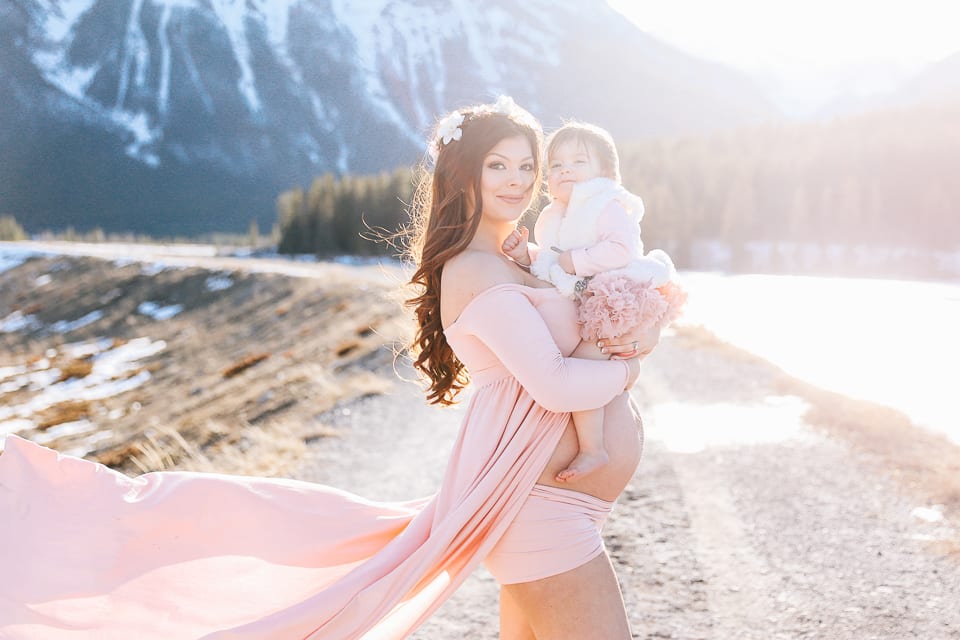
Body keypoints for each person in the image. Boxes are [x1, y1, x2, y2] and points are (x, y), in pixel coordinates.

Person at [0, 98, 659, 640]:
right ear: (464, 175)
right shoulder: (476, 269)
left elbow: (590, 314)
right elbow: (552, 383)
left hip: (552, 504)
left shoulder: (523, 258)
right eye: (498, 165)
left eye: (526, 165)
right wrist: (629, 374)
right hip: (538, 511)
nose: (517, 180)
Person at [502, 121, 683, 482]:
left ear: (605, 173)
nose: (565, 169)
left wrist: (576, 260)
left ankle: (593, 448)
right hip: (594, 292)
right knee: (584, 360)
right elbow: (550, 267)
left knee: (583, 365)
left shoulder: (605, 204)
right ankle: (596, 435)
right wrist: (525, 258)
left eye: (578, 162)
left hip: (618, 295)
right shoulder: (554, 216)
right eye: (556, 165)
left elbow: (621, 248)